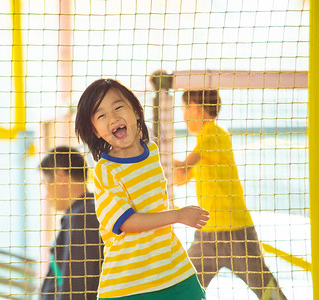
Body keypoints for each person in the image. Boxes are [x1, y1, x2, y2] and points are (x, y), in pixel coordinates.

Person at [75, 78, 210, 300]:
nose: (114, 117)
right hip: (128, 284)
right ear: (95, 131)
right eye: (102, 115)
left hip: (174, 271)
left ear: (136, 112)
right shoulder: (105, 170)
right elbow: (126, 222)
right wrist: (177, 215)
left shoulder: (153, 152)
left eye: (118, 107)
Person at [174, 89, 287, 300]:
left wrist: (162, 157)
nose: (182, 116)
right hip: (206, 235)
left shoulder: (214, 133)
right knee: (184, 288)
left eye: (183, 109)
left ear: (195, 108)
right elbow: (180, 178)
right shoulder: (203, 146)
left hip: (236, 233)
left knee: (268, 291)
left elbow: (185, 164)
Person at [39, 146, 104, 300]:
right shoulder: (84, 212)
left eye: (45, 183)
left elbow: (78, 286)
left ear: (60, 176)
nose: (46, 194)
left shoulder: (83, 216)